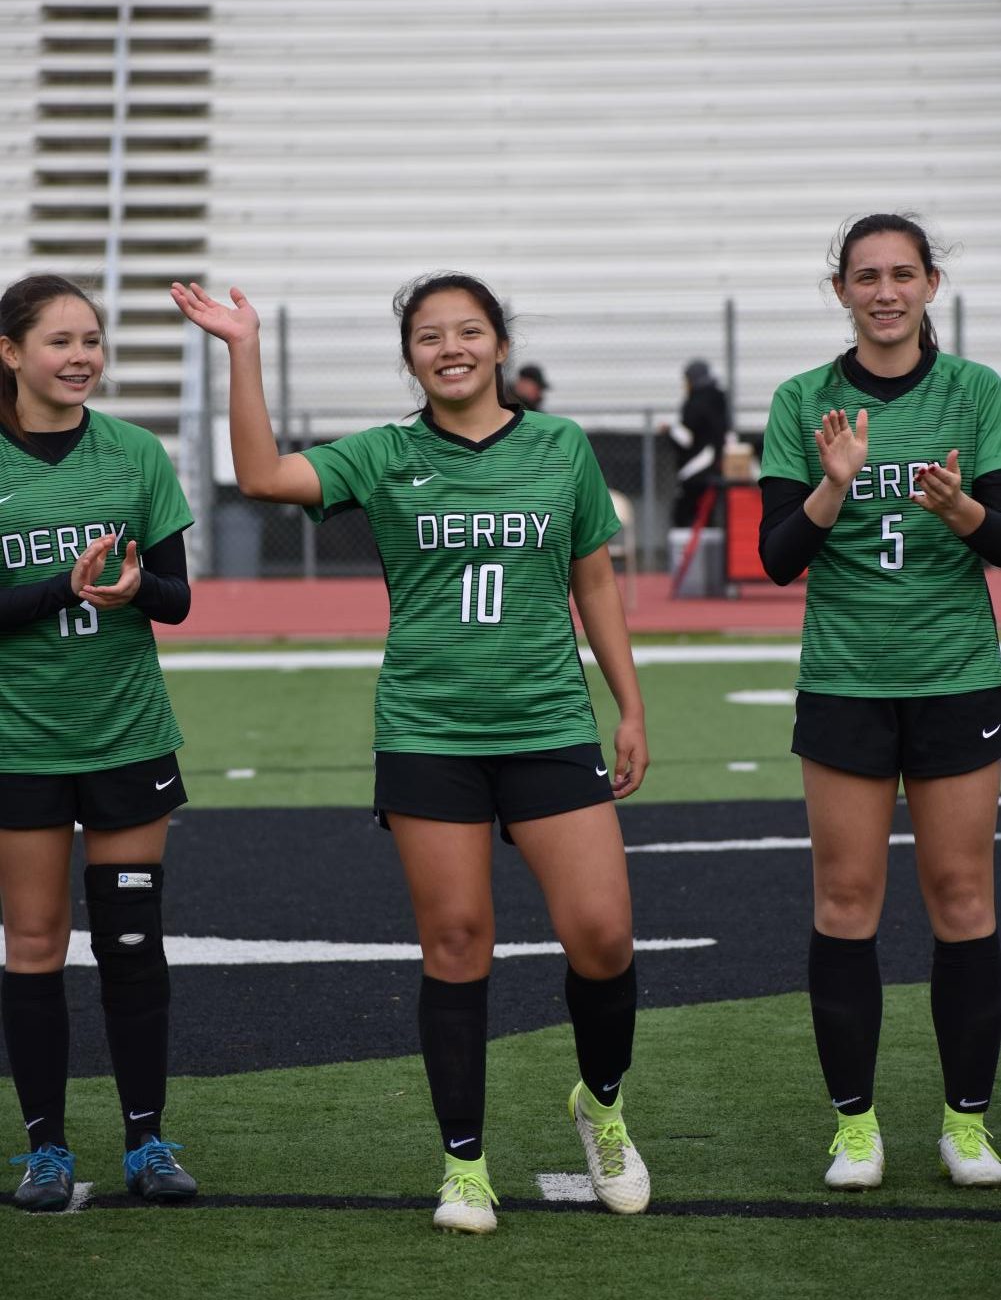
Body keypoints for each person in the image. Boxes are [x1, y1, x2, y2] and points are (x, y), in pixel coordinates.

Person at [171, 271, 651, 1233]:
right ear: (410, 357)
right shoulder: (386, 454)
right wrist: (242, 348)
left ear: (500, 345)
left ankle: (599, 1103)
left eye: (468, 331)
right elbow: (264, 476)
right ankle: (463, 1162)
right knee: (456, 942)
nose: (450, 347)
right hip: (429, 730)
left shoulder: (559, 447)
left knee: (601, 937)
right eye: (429, 336)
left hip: (550, 724)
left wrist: (627, 704)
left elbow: (593, 582)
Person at [758, 213, 1001, 1190]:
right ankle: (853, 1124)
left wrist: (962, 512)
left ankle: (965, 1119)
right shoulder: (802, 400)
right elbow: (777, 557)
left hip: (953, 677)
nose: (885, 290)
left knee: (961, 897)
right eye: (866, 275)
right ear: (840, 291)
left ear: (931, 284)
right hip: (845, 680)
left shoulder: (975, 392)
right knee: (845, 900)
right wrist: (830, 488)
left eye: (902, 273)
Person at [0, 274, 197, 1212]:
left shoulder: (133, 452)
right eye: (58, 341)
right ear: (10, 352)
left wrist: (131, 592)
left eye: (93, 339)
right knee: (35, 944)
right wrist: (65, 590)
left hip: (126, 736)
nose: (80, 356)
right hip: (18, 745)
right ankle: (45, 1150)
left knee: (130, 942)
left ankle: (149, 1142)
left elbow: (178, 595)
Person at [666, 359, 729, 527]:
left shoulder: (694, 403)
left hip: (695, 469)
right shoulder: (719, 399)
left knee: (683, 515)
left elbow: (685, 439)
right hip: (715, 466)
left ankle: (688, 553)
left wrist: (669, 431)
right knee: (708, 518)